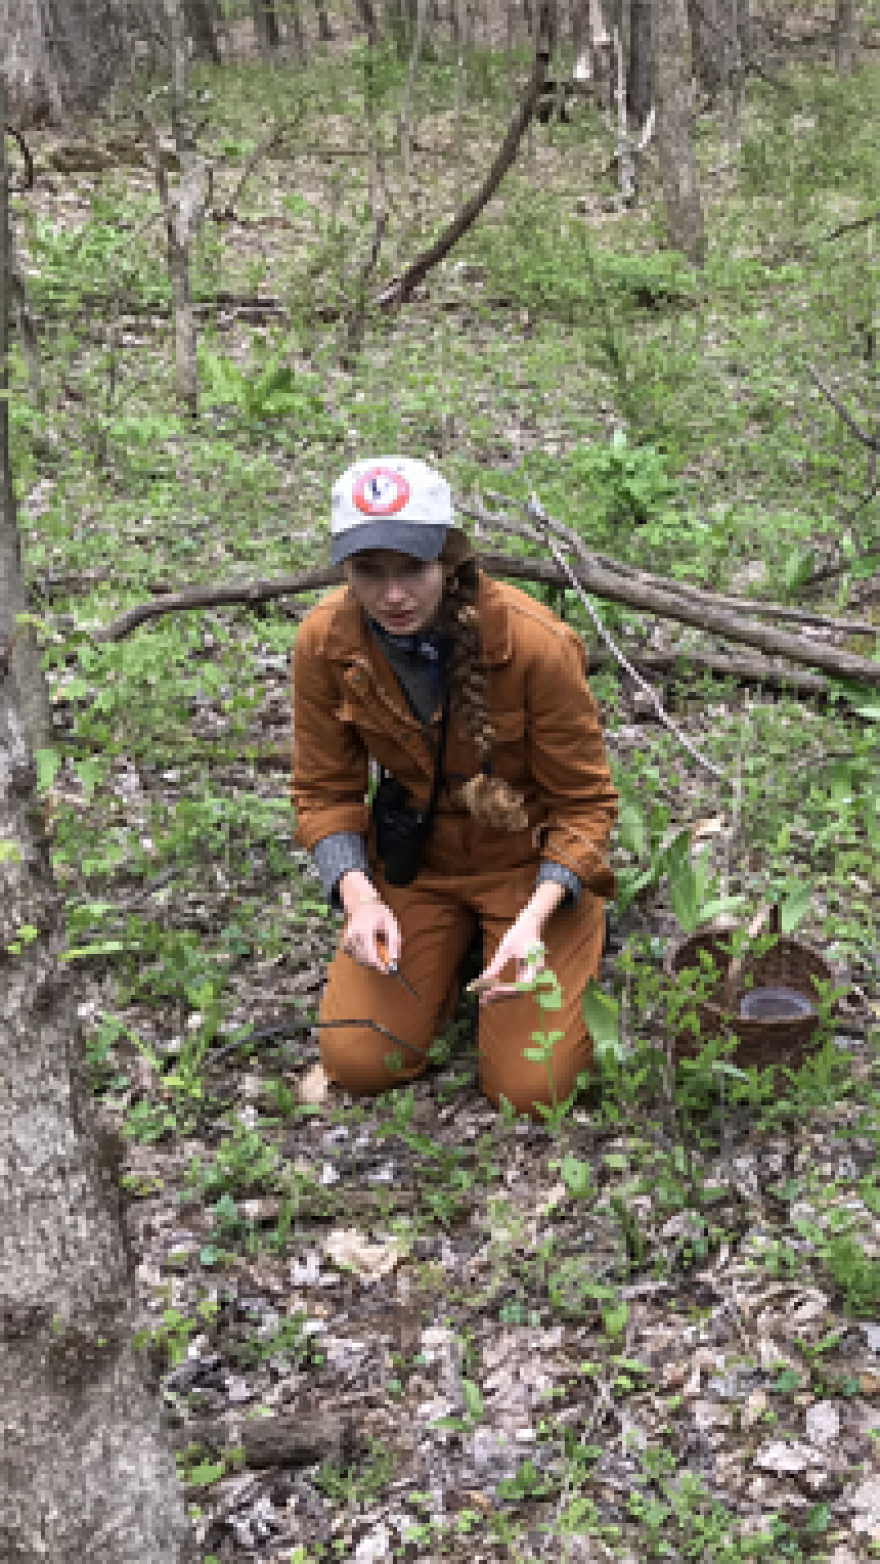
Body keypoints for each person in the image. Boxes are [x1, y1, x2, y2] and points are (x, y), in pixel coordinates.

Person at [291, 456, 618, 1118]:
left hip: (529, 870)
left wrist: (532, 922)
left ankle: (549, 932)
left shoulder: (533, 643)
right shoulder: (326, 641)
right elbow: (324, 791)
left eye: (411, 567)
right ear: (344, 571)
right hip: (419, 865)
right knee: (359, 1059)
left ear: (447, 557)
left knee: (534, 1090)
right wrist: (359, 898)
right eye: (369, 572)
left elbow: (586, 803)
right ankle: (451, 947)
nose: (393, 594)